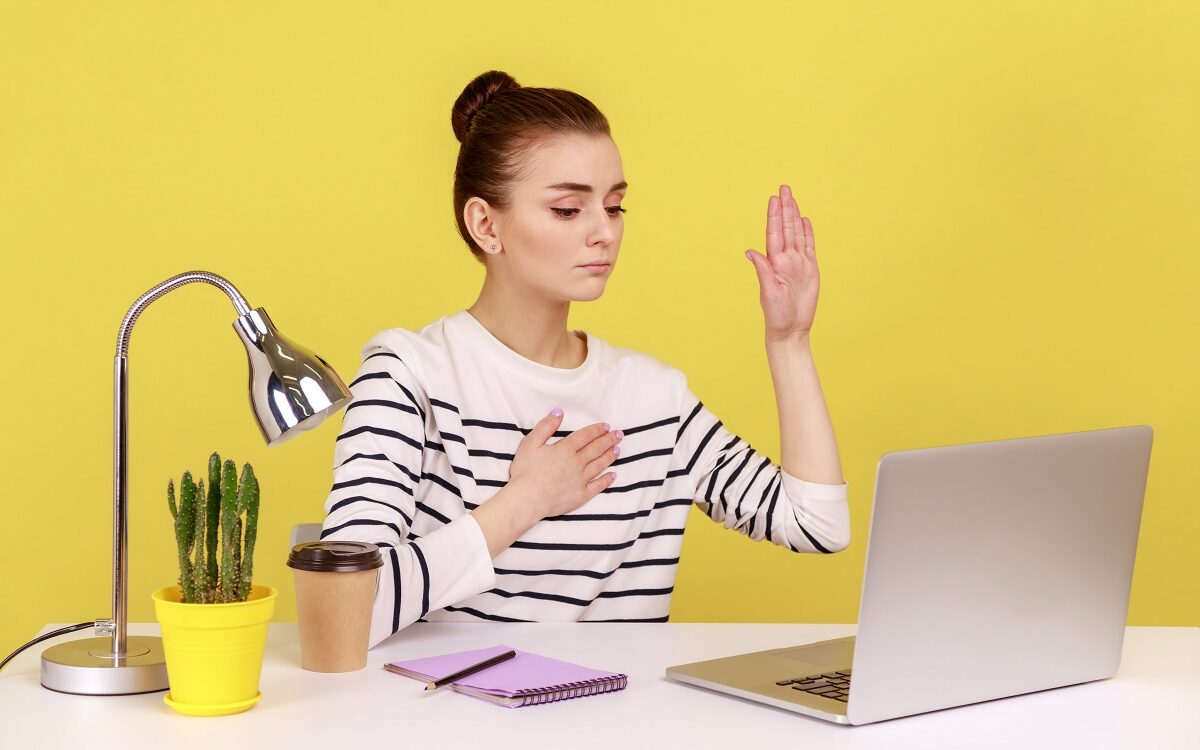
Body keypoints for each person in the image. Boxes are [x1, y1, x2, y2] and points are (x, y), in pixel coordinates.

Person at [321, 70, 850, 648]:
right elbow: (343, 614)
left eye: (615, 206)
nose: (605, 231)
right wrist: (526, 500)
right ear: (485, 225)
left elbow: (817, 525)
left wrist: (790, 341)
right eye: (569, 210)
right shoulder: (407, 378)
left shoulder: (654, 398)